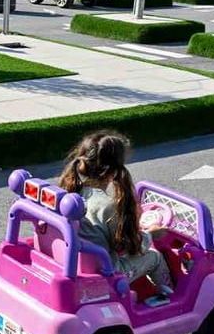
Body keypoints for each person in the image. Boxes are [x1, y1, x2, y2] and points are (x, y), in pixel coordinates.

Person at [57, 131, 174, 306]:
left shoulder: (70, 191)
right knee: (154, 257)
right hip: (104, 274)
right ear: (112, 171)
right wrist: (151, 235)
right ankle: (172, 300)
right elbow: (130, 246)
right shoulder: (108, 206)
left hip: (71, 262)